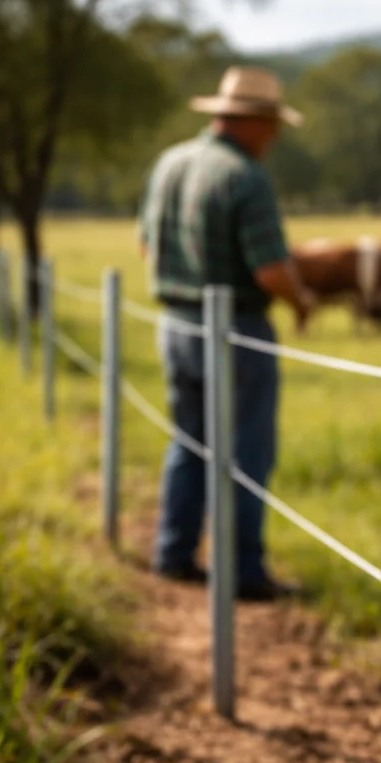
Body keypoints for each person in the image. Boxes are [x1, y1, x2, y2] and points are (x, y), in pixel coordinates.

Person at [136, 66, 316, 600]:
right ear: (253, 121)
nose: (275, 136)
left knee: (188, 441)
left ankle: (173, 553)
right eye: (272, 124)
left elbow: (146, 244)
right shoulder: (245, 177)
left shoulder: (170, 163)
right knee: (246, 451)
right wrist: (301, 301)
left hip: (174, 322)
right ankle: (242, 571)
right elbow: (270, 268)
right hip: (236, 329)